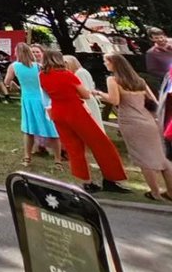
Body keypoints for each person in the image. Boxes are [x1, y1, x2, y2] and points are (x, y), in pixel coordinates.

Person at [39, 48, 128, 193]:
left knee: (74, 148)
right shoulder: (67, 75)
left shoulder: (42, 75)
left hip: (58, 112)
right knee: (100, 143)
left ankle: (86, 182)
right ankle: (111, 178)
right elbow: (85, 95)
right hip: (75, 111)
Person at [96, 54, 172, 201]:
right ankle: (170, 191)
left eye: (106, 61)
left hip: (131, 122)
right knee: (161, 158)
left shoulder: (113, 80)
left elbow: (114, 100)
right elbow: (154, 102)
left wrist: (99, 93)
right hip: (149, 121)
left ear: (114, 63)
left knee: (143, 159)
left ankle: (155, 192)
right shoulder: (140, 81)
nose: (105, 64)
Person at [3, 43, 63, 167]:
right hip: (43, 99)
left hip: (28, 99)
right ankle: (58, 160)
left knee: (28, 130)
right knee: (52, 129)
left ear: (17, 53)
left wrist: (13, 85)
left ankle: (27, 157)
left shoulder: (14, 66)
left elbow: (7, 81)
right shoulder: (38, 66)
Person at [64, 55, 104, 129]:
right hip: (87, 101)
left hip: (87, 102)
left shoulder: (80, 73)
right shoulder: (81, 71)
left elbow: (86, 90)